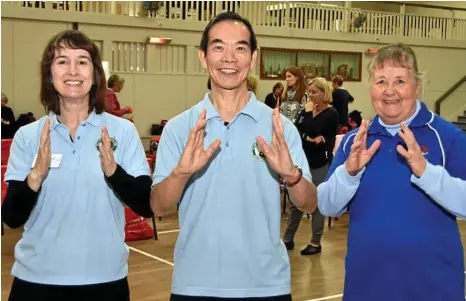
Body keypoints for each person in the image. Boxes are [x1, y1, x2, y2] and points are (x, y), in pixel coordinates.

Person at [151, 12, 317, 301]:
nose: (229, 58)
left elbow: (310, 203)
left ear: (252, 58)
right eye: (218, 47)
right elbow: (158, 207)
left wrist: (292, 176)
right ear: (203, 57)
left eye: (240, 48)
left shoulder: (278, 127)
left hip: (267, 286)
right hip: (195, 285)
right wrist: (180, 174)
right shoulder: (181, 128)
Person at [2, 29, 153, 301]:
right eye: (62, 61)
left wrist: (113, 172)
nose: (72, 70)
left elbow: (144, 204)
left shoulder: (122, 131)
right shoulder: (28, 135)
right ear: (49, 74)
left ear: (95, 74)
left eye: (82, 61)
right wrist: (35, 176)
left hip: (105, 281)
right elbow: (12, 217)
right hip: (36, 282)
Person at [318, 43, 466, 301]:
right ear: (370, 88)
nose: (389, 91)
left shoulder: (448, 137)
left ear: (417, 86)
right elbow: (327, 206)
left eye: (400, 81)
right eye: (381, 81)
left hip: (434, 288)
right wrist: (349, 173)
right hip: (366, 286)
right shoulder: (356, 140)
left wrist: (426, 172)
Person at [282, 77, 339, 255]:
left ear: (324, 93)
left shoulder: (331, 113)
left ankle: (315, 242)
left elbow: (313, 127)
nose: (311, 96)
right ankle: (288, 239)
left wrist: (307, 121)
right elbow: (296, 129)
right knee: (296, 201)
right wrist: (309, 137)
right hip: (303, 159)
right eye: (310, 92)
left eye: (314, 92)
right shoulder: (308, 109)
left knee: (317, 202)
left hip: (320, 162)